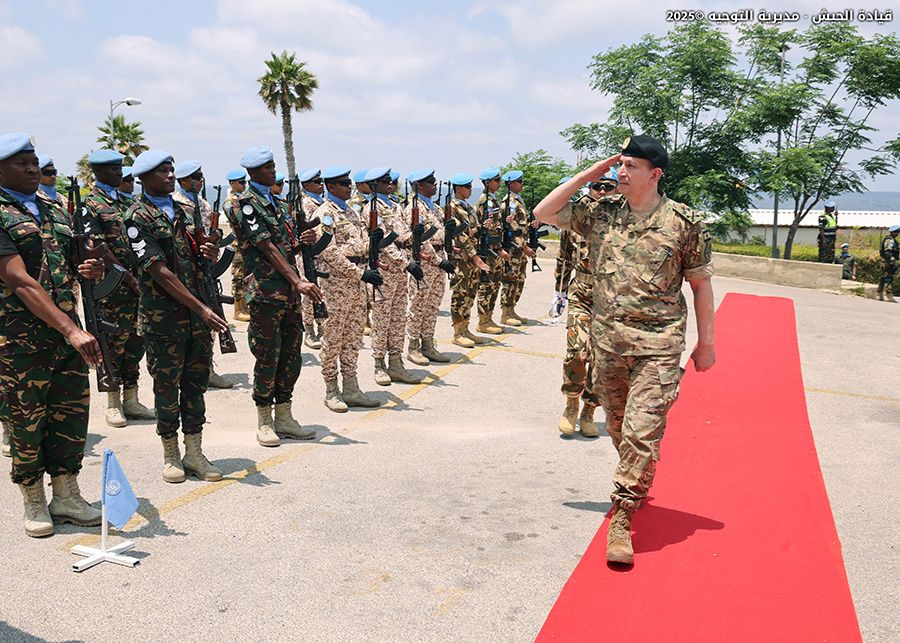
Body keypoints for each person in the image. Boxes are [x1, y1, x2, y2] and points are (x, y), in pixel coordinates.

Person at [534, 135, 716, 566]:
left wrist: (706, 344)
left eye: (631, 166)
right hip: (608, 343)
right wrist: (592, 171)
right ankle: (637, 471)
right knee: (618, 427)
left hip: (659, 344)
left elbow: (701, 285)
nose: (622, 171)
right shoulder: (601, 213)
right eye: (620, 164)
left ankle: (623, 513)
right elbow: (543, 213)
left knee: (640, 431)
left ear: (654, 175)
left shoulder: (684, 223)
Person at [0, 132, 104, 537]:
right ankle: (33, 499)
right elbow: (18, 280)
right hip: (19, 339)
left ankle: (66, 495)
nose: (32, 169)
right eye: (21, 164)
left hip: (66, 332)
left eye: (34, 162)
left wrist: (90, 266)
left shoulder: (53, 206)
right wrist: (71, 330)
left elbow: (72, 259)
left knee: (71, 413)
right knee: (27, 421)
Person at [125, 150, 229, 483]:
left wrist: (209, 251)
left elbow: (198, 256)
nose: (170, 176)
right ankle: (171, 454)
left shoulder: (186, 212)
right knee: (167, 388)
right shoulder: (136, 217)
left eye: (171, 170)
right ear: (143, 178)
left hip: (198, 318)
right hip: (164, 320)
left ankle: (195, 452)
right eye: (162, 172)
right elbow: (159, 271)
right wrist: (201, 308)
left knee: (195, 386)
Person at [224, 146, 323, 446]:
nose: (273, 171)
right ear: (253, 172)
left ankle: (284, 415)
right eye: (267, 168)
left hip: (288, 293)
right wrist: (298, 281)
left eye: (273, 166)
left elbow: (283, 247)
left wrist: (300, 241)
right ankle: (264, 419)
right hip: (266, 292)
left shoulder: (278, 205)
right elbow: (266, 247)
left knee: (291, 357)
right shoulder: (246, 205)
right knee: (268, 356)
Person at [84, 148, 155, 427]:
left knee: (136, 341)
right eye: (114, 169)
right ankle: (113, 402)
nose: (120, 173)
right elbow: (100, 247)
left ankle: (131, 399)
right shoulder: (91, 204)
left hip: (139, 284)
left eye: (120, 168)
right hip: (113, 287)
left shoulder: (127, 202)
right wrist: (127, 277)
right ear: (100, 172)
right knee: (113, 343)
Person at [551, 171, 619, 438]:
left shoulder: (626, 220)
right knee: (577, 352)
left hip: (612, 301)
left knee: (603, 361)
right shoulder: (579, 216)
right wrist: (559, 292)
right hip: (581, 294)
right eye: (596, 186)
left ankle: (590, 410)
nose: (602, 191)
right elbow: (565, 257)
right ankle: (570, 405)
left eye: (608, 187)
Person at [314, 166, 381, 411]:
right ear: (331, 187)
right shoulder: (325, 214)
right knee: (333, 338)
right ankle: (331, 389)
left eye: (349, 182)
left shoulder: (351, 211)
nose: (348, 186)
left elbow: (360, 243)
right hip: (336, 285)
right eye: (343, 183)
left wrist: (374, 242)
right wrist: (359, 272)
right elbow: (328, 250)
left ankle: (351, 387)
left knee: (353, 337)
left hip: (358, 284)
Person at [172, 160, 234, 390]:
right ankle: (184, 371)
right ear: (183, 181)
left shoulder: (204, 204)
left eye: (201, 177)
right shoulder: (176, 205)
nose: (200, 181)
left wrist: (215, 238)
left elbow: (211, 232)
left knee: (211, 319)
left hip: (207, 269)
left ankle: (207, 368)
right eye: (195, 177)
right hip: (186, 273)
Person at [365, 167, 421, 386]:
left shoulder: (395, 206)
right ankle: (379, 364)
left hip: (399, 271)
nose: (391, 184)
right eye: (385, 181)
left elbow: (400, 235)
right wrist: (406, 263)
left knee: (398, 318)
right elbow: (383, 244)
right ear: (374, 185)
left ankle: (396, 363)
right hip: (385, 271)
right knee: (381, 319)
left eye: (391, 181)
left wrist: (414, 235)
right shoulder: (372, 208)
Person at [404, 168, 451, 365]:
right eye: (431, 182)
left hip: (440, 260)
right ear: (419, 186)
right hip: (425, 262)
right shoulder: (414, 209)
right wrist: (438, 260)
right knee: (418, 305)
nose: (435, 185)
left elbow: (441, 234)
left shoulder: (436, 208)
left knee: (432, 306)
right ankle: (413, 347)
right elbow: (419, 240)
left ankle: (428, 344)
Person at [448, 173, 491, 347]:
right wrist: (475, 257)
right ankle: (458, 333)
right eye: (467, 187)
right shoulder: (452, 208)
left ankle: (466, 329)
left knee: (470, 294)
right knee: (460, 295)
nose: (470, 190)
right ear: (458, 189)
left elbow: (472, 230)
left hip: (472, 259)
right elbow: (461, 235)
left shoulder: (468, 207)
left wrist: (483, 227)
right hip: (463, 260)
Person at [475, 167, 511, 334]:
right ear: (488, 183)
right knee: (486, 286)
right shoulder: (485, 201)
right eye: (497, 180)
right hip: (490, 250)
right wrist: (499, 248)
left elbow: (496, 226)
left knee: (494, 285)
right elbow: (487, 230)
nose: (500, 183)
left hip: (495, 251)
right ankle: (483, 321)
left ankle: (489, 318)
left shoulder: (493, 200)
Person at [498, 170, 536, 326]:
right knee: (510, 279)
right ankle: (505, 313)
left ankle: (512, 309)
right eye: (519, 182)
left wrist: (531, 225)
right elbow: (513, 229)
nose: (522, 184)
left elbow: (520, 226)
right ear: (511, 184)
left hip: (519, 248)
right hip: (514, 248)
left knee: (519, 280)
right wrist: (525, 246)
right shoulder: (510, 202)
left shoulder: (518, 200)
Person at [297, 167, 326, 349]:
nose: (321, 184)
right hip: (308, 254)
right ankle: (309, 330)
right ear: (307, 185)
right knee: (309, 294)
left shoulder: (322, 202)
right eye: (317, 182)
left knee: (322, 294)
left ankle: (323, 328)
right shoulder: (304, 204)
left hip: (323, 255)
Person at [224, 169, 250, 321]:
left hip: (248, 243)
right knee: (239, 276)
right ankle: (238, 309)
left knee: (247, 276)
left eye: (244, 182)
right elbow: (239, 221)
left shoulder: (244, 198)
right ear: (232, 183)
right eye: (241, 182)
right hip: (239, 243)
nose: (243, 185)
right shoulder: (230, 202)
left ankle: (246, 306)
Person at [878, 225, 899, 302]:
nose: (898, 233)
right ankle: (888, 295)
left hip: (889, 260)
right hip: (888, 261)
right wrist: (891, 259)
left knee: (884, 277)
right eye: (896, 232)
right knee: (888, 277)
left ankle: (879, 294)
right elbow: (887, 251)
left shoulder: (892, 239)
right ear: (892, 232)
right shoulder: (889, 240)